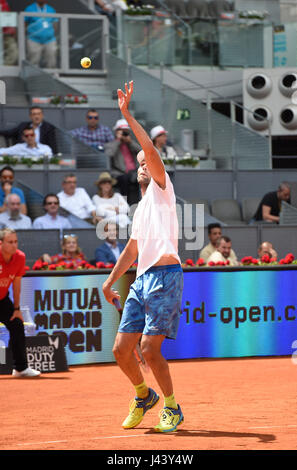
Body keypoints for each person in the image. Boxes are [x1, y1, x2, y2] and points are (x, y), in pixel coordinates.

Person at [102, 81, 184, 433]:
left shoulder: (163, 190)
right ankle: (143, 395)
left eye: (147, 162)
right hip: (143, 278)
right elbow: (133, 250)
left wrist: (126, 115)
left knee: (150, 349)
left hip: (166, 276)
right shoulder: (139, 210)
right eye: (139, 163)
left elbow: (148, 149)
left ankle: (172, 406)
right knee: (121, 350)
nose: (143, 165)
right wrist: (109, 282)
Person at [0, 228, 40, 377]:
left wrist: (16, 308)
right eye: (10, 242)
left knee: (17, 324)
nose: (14, 245)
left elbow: (16, 285)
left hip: (2, 299)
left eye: (16, 241)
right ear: (1, 243)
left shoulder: (20, 257)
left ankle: (20, 368)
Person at [105, 119, 141, 205]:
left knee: (143, 178)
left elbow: (142, 152)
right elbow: (109, 154)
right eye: (122, 131)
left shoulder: (131, 143)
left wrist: (130, 142)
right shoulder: (111, 144)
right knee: (124, 179)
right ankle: (124, 205)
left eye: (126, 132)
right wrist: (118, 141)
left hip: (133, 172)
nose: (124, 133)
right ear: (116, 132)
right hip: (119, 173)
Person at [24, 0, 58, 69]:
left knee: (51, 59)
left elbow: (55, 25)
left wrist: (49, 33)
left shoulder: (51, 9)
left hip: (49, 40)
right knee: (33, 60)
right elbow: (24, 24)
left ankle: (51, 76)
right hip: (34, 39)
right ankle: (32, 77)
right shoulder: (29, 9)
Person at [0, 0, 18, 66]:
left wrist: (12, 29)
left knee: (13, 52)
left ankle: (3, 70)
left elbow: (7, 15)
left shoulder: (3, 1)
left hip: (5, 33)